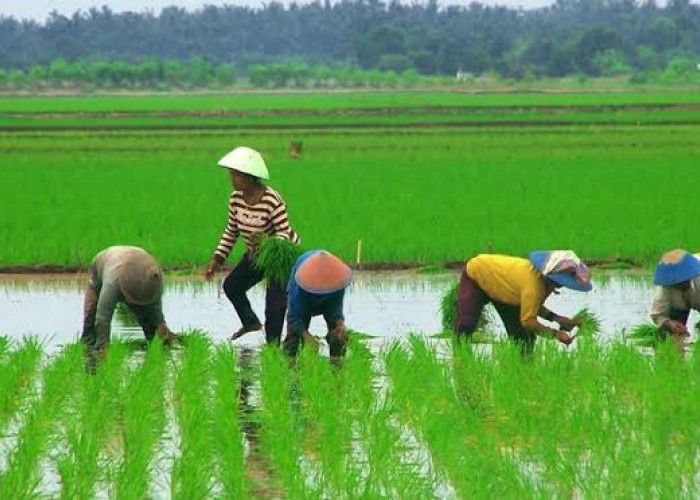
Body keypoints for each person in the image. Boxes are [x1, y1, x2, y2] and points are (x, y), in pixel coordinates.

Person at [204, 146, 300, 345]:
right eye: (231, 175)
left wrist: (266, 243)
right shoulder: (236, 199)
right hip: (256, 254)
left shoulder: (271, 200)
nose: (232, 180)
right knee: (232, 286)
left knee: (274, 305)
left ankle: (272, 348)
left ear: (249, 178)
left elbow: (284, 232)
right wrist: (217, 259)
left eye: (235, 176)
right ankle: (250, 322)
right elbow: (232, 231)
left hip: (279, 258)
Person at [454, 250, 593, 352]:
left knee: (524, 340)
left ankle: (524, 370)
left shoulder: (543, 282)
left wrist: (557, 319)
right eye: (560, 283)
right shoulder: (533, 284)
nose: (561, 286)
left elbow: (531, 305)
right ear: (551, 277)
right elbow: (528, 320)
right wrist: (555, 334)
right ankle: (459, 361)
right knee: (465, 327)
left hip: (506, 291)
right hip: (478, 275)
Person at [81, 246, 176, 354]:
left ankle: (155, 348)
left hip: (139, 265)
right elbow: (102, 318)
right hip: (104, 264)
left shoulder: (154, 278)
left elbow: (155, 307)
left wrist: (161, 323)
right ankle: (88, 349)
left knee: (150, 323)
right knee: (91, 316)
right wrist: (103, 345)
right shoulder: (112, 283)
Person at [283, 250, 352, 357]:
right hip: (304, 299)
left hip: (330, 299)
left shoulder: (336, 282)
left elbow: (336, 311)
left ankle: (337, 366)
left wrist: (340, 325)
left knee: (338, 337)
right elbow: (295, 318)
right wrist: (307, 337)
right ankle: (289, 368)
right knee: (293, 339)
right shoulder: (300, 286)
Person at [649, 249, 700, 350]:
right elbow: (658, 314)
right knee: (670, 335)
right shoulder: (666, 286)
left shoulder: (697, 276)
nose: (680, 286)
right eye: (677, 284)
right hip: (679, 305)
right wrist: (669, 323)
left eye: (683, 282)